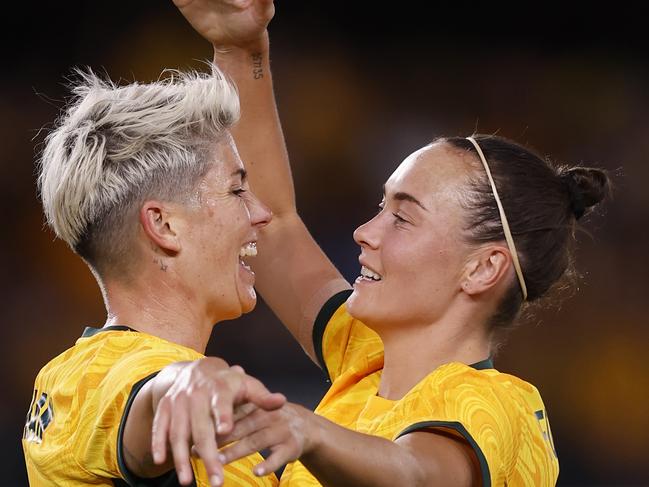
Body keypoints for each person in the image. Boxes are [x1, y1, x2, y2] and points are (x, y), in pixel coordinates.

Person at [173, 1, 611, 486]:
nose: (365, 232)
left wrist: (309, 429)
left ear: (484, 268)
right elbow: (273, 222)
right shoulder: (364, 357)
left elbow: (416, 473)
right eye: (382, 208)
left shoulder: (500, 403)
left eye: (402, 218)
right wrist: (240, 48)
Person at [22, 65, 287, 486]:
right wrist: (185, 380)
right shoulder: (88, 379)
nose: (261, 212)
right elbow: (146, 398)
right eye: (237, 190)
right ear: (163, 225)